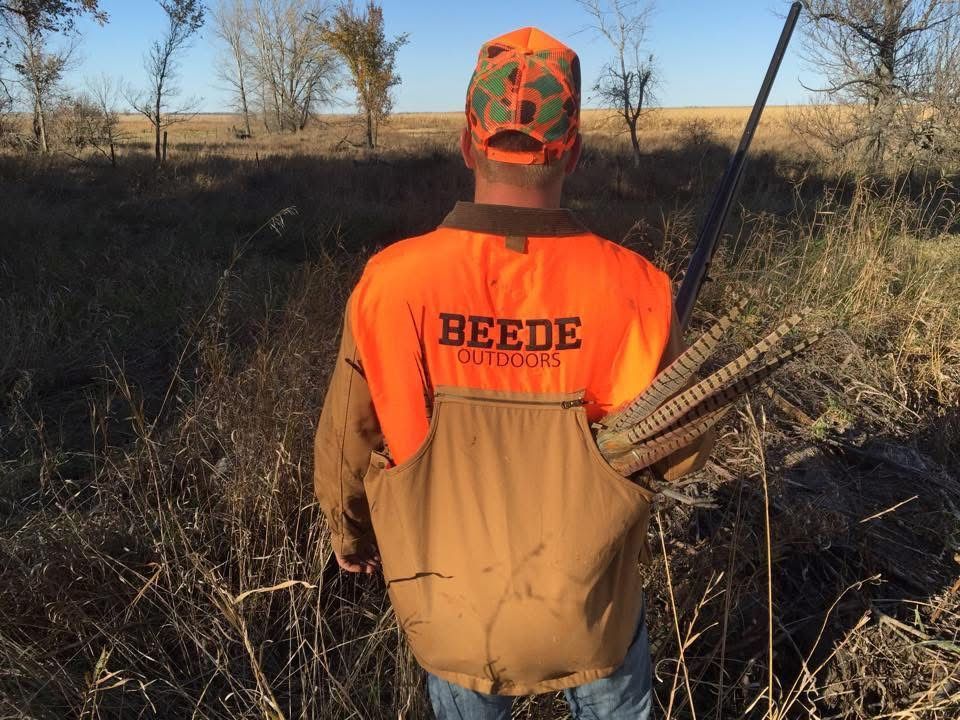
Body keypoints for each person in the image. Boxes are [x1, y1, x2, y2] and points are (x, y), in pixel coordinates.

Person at [314, 26, 712, 720]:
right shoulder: (640, 289)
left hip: (455, 619)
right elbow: (684, 455)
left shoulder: (389, 285)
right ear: (576, 152)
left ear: (469, 143)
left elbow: (348, 441)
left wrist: (349, 538)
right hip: (593, 613)